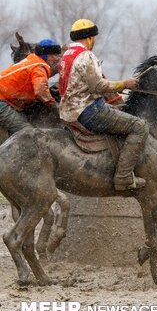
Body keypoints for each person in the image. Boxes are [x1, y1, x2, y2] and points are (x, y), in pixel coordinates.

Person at [59, 19, 148, 191]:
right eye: (94, 37)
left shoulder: (67, 55)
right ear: (90, 37)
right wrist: (125, 84)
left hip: (68, 110)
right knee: (140, 126)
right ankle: (123, 177)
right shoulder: (86, 56)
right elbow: (98, 86)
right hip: (88, 111)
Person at [0, 39, 62, 135]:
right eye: (55, 55)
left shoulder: (32, 59)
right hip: (2, 101)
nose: (58, 58)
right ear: (46, 55)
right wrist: (56, 106)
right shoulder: (39, 67)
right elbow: (41, 92)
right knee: (27, 134)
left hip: (5, 98)